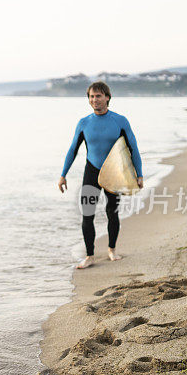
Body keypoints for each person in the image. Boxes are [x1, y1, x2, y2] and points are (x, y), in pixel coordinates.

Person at [58, 82, 144, 269]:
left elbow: (133, 148)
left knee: (112, 212)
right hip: (91, 172)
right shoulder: (84, 123)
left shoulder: (120, 121)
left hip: (114, 173)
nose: (94, 100)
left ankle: (112, 249)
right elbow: (73, 149)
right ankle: (89, 256)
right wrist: (63, 174)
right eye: (91, 96)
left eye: (98, 96)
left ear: (107, 97)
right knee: (87, 214)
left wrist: (139, 174)